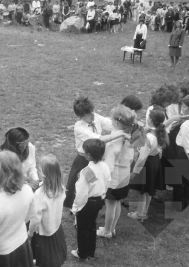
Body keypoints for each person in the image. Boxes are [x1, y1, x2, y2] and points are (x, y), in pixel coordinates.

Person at [63, 96, 129, 209]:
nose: (92, 115)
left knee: (96, 184)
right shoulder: (79, 127)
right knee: (80, 185)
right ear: (81, 116)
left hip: (97, 158)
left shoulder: (96, 117)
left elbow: (112, 124)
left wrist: (124, 124)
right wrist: (120, 134)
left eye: (92, 111)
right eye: (88, 114)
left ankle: (94, 203)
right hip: (84, 160)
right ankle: (76, 208)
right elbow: (98, 139)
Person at [97, 105, 137, 238]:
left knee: (110, 206)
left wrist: (104, 180)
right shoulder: (130, 137)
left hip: (113, 179)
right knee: (118, 203)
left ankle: (107, 231)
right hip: (124, 177)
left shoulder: (113, 143)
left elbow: (109, 166)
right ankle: (112, 228)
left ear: (116, 122)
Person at [28, 155, 67, 267]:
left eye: (39, 169)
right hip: (55, 227)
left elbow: (35, 218)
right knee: (52, 255)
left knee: (43, 257)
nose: (38, 171)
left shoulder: (40, 195)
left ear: (43, 174)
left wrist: (30, 233)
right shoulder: (60, 187)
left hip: (43, 232)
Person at [71, 139, 110, 259]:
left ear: (88, 155)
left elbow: (82, 193)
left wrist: (76, 208)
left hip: (87, 203)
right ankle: (90, 252)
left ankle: (82, 253)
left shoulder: (86, 171)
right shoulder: (104, 165)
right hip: (99, 200)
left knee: (82, 229)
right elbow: (107, 181)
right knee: (92, 226)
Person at [128, 108, 169, 221]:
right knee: (149, 189)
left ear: (150, 119)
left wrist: (134, 172)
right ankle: (144, 211)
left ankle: (140, 214)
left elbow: (142, 157)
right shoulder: (160, 133)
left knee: (143, 190)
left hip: (146, 164)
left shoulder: (149, 137)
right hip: (154, 161)